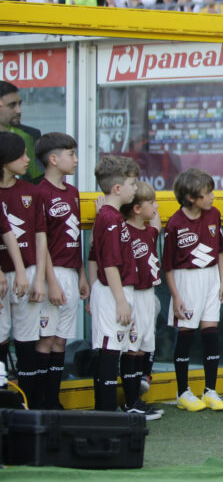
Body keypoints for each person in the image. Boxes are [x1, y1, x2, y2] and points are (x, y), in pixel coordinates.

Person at [163, 168, 223, 412]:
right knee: (187, 335)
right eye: (207, 193)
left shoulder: (214, 215)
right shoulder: (175, 223)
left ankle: (210, 390)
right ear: (191, 197)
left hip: (211, 278)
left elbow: (219, 250)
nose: (212, 196)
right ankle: (183, 392)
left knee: (211, 332)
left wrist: (222, 282)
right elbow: (167, 266)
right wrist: (176, 296)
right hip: (186, 280)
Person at [36, 133, 87, 410]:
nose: (76, 160)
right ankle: (39, 401)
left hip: (70, 272)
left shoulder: (73, 192)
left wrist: (80, 275)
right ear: (54, 160)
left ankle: (53, 400)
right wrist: (51, 281)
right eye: (71, 154)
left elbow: (76, 236)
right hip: (50, 274)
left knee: (60, 341)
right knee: (45, 340)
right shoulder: (40, 192)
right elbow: (40, 241)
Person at [88, 155, 140, 412]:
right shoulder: (110, 219)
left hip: (115, 290)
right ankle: (106, 411)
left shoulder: (110, 216)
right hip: (111, 292)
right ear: (117, 188)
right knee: (109, 350)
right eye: (132, 183)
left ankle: (106, 410)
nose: (136, 188)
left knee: (113, 348)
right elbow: (109, 263)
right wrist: (120, 301)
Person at [0, 133, 45, 409]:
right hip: (4, 277)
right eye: (21, 155)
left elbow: (41, 236)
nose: (28, 160)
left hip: (25, 273)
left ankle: (28, 404)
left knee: (28, 337)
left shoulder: (32, 191)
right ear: (4, 161)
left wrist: (37, 277)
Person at [119, 182, 163, 420]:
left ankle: (137, 398)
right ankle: (130, 402)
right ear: (136, 208)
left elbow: (156, 223)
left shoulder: (149, 231)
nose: (157, 207)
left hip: (148, 293)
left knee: (143, 346)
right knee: (131, 347)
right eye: (152, 203)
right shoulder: (123, 230)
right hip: (132, 293)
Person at [0, 81, 43, 182]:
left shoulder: (30, 135)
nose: (19, 110)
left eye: (19, 104)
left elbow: (36, 179)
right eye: (12, 105)